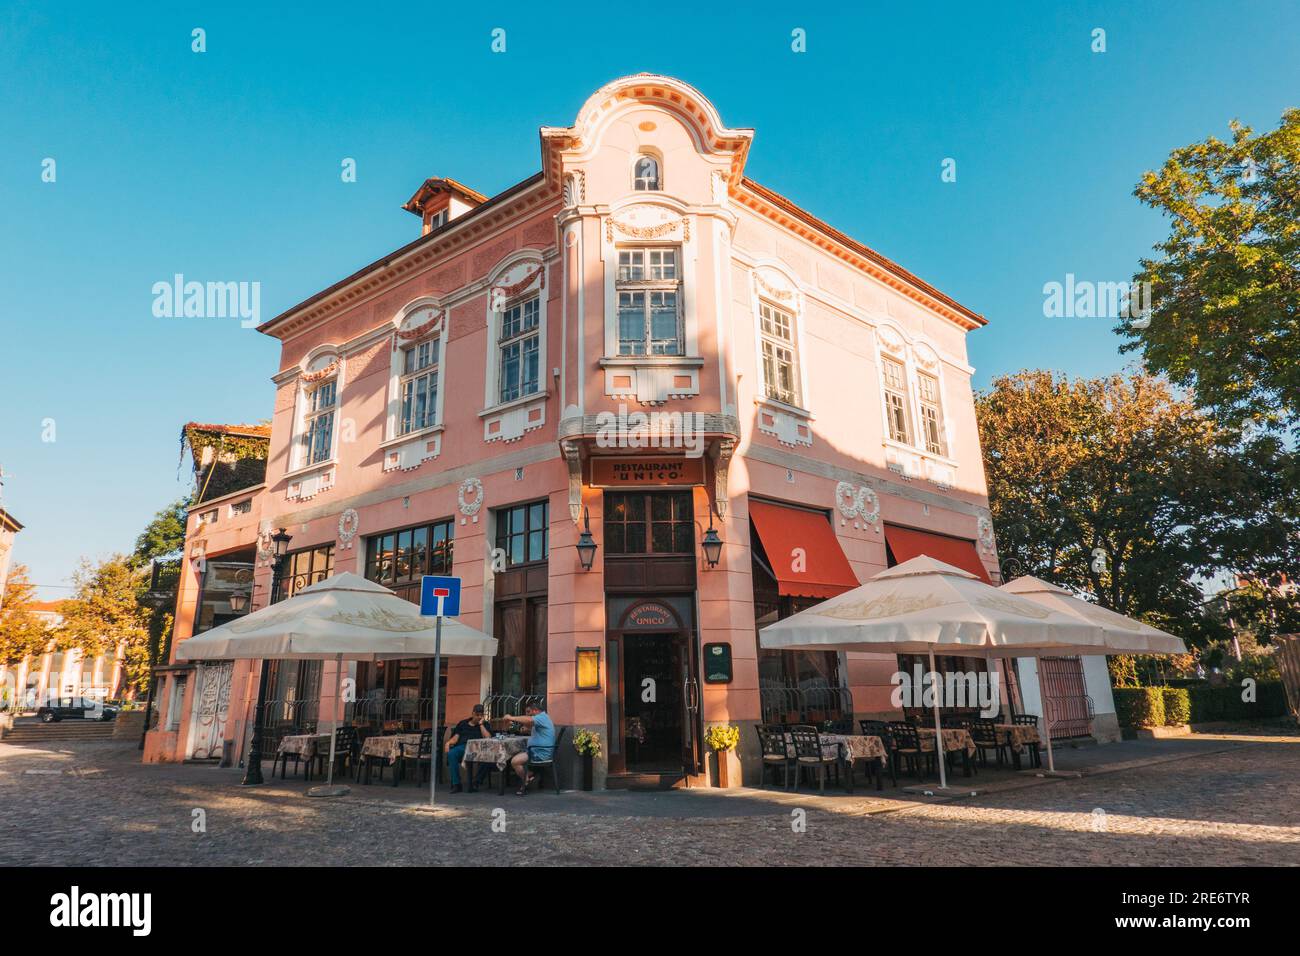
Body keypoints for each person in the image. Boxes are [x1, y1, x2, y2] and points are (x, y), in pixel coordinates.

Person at [501, 702, 555, 796]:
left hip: (539, 753)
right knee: (514, 754)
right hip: (536, 751)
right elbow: (533, 726)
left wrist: (511, 718)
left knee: (515, 761)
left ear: (535, 711)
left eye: (529, 712)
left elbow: (529, 720)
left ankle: (525, 780)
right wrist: (527, 729)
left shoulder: (542, 717)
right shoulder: (543, 718)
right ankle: (529, 776)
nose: (527, 714)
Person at [444, 704, 492, 793]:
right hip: (463, 747)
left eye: (481, 715)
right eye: (477, 715)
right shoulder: (463, 724)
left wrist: (481, 725)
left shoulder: (485, 724)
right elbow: (456, 738)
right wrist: (448, 743)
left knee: (488, 757)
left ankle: (476, 782)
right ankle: (457, 784)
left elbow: (488, 738)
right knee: (452, 753)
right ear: (473, 713)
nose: (479, 717)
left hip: (478, 748)